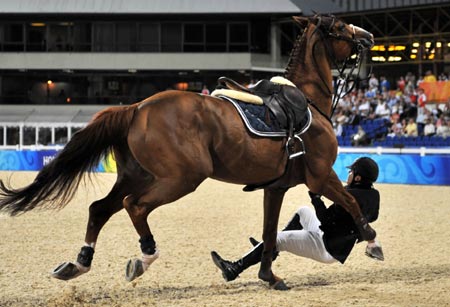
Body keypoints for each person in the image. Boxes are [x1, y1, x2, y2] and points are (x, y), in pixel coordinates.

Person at [211, 157, 384, 287]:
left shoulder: (350, 198)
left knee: (276, 239)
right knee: (303, 211)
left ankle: (234, 269)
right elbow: (372, 218)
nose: (349, 174)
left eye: (352, 171)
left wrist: (316, 198)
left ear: (359, 178)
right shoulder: (373, 195)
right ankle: (270, 251)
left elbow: (325, 219)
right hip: (334, 240)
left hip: (325, 247)